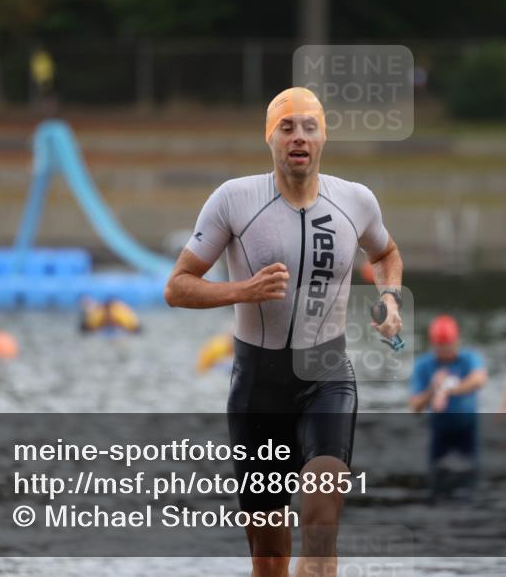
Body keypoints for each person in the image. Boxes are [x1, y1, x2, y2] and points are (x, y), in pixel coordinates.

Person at [163, 87, 404, 577]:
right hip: (258, 387)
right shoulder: (234, 199)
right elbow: (177, 287)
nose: (298, 137)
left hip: (327, 377)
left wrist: (390, 297)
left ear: (323, 137)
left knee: (320, 529)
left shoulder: (355, 201)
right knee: (270, 562)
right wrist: (243, 290)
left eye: (309, 127)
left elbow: (386, 255)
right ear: (270, 138)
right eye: (287, 128)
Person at [409, 315, 487, 496]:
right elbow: (414, 407)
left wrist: (451, 388)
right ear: (433, 344)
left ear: (456, 341)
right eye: (440, 346)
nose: (444, 351)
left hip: (466, 428)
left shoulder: (468, 358)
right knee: (436, 478)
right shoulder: (424, 365)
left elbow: (480, 379)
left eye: (448, 346)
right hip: (439, 429)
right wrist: (432, 389)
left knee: (471, 477)